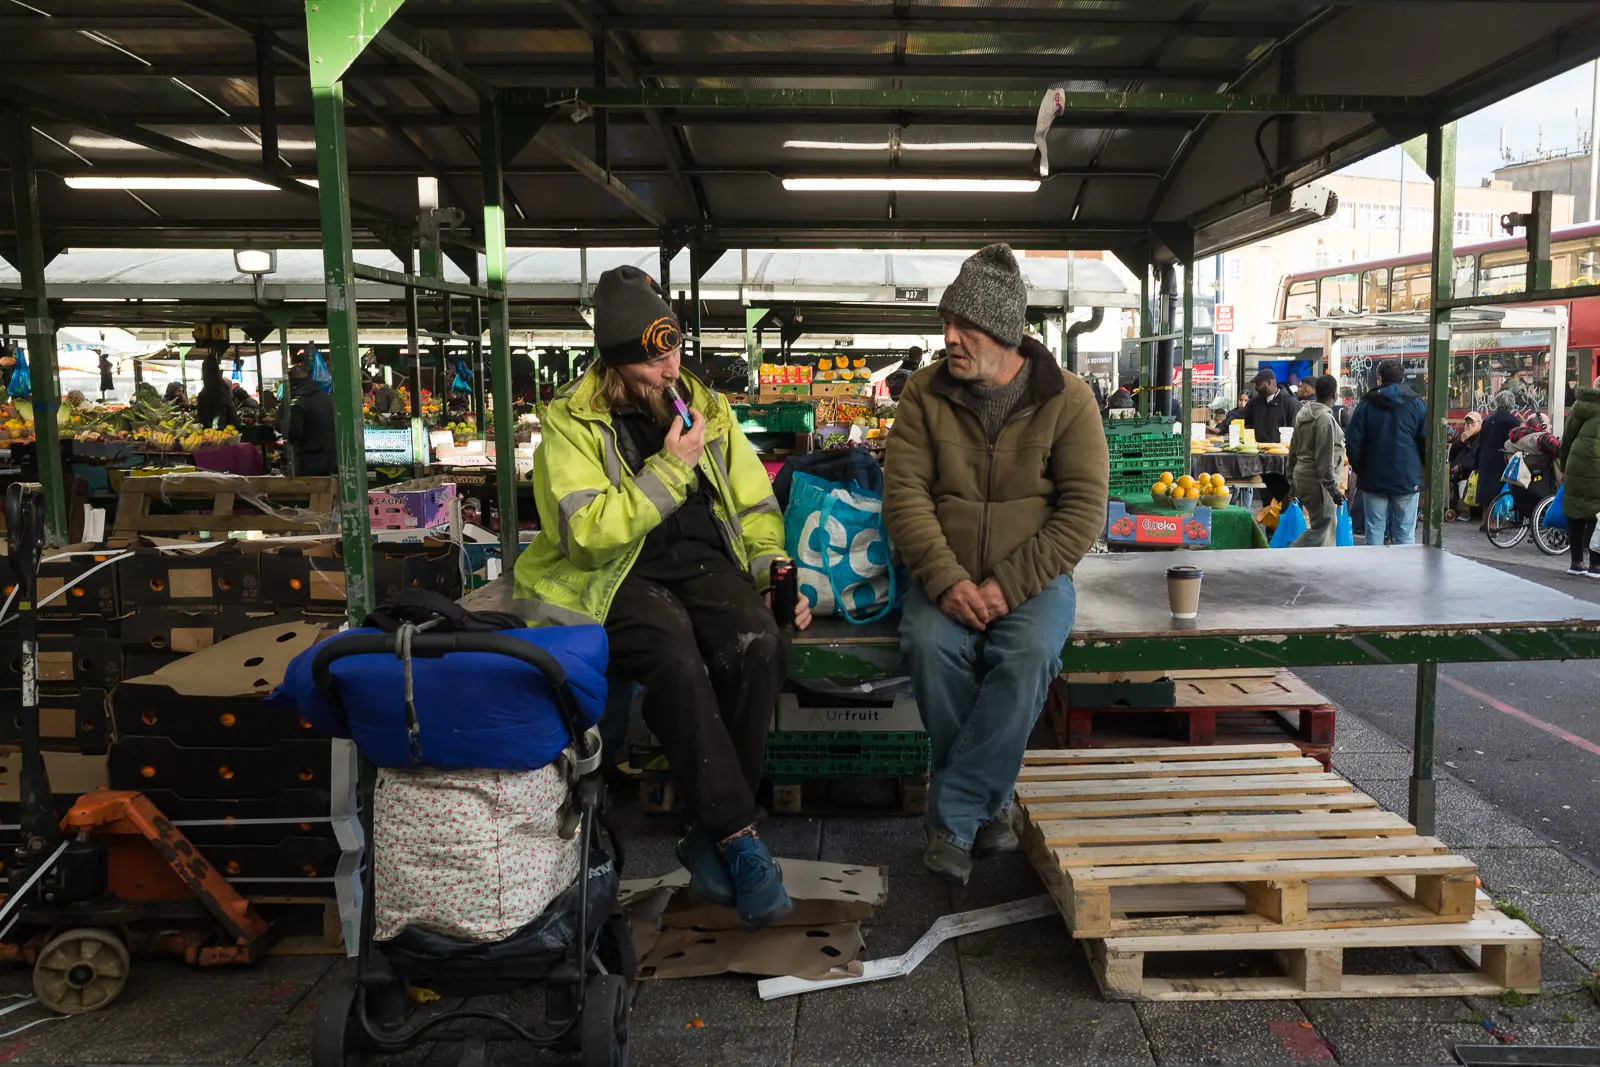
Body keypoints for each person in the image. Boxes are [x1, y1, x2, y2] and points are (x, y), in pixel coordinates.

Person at [513, 265, 808, 930]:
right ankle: (737, 835)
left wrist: (771, 569)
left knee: (760, 642)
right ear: (617, 365)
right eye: (653, 360)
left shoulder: (705, 404)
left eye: (674, 350)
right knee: (675, 655)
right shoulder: (569, 424)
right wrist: (670, 469)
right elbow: (586, 535)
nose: (671, 370)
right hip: (618, 572)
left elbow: (755, 504)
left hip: (701, 561)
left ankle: (706, 833)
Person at [883, 243, 1109, 886]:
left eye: (967, 328)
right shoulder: (924, 394)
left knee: (1028, 655)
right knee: (928, 643)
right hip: (941, 572)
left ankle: (953, 813)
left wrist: (1006, 586)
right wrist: (948, 579)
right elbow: (903, 496)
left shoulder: (1069, 400)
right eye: (947, 323)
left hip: (1034, 577)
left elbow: (1083, 512)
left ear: (1006, 333)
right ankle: (991, 807)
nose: (950, 338)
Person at [1345, 360, 1428, 546]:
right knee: (1405, 534)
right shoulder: (1417, 405)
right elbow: (1426, 442)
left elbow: (1353, 442)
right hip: (1407, 477)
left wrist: (1361, 468)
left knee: (1374, 530)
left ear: (1379, 378)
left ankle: (1375, 573)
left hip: (1373, 478)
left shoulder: (1366, 405)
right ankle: (1402, 573)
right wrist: (1419, 469)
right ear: (1402, 378)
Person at [1286, 374, 1346, 547]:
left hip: (1302, 476)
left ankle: (1324, 563)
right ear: (1334, 395)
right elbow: (1324, 459)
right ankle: (1293, 552)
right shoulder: (1325, 419)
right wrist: (1333, 490)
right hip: (1317, 481)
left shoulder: (1303, 414)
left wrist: (1291, 479)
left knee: (1327, 523)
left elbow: (1293, 451)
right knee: (1322, 526)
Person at [1557, 375, 1600, 578]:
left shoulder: (1579, 405)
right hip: (1597, 468)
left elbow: (1566, 440)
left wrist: (1564, 468)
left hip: (1576, 466)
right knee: (1596, 516)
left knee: (1576, 513)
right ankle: (1596, 565)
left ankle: (1576, 562)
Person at [1475, 391, 1520, 530]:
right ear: (1511, 403)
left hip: (1485, 457)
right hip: (1502, 458)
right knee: (1498, 490)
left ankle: (1485, 521)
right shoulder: (1513, 421)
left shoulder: (1488, 419)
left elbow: (1480, 442)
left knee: (1486, 490)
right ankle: (1493, 522)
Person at [282, 363, 336, 476]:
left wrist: (290, 439)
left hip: (309, 458)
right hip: (331, 456)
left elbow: (295, 433)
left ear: (292, 381)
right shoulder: (327, 398)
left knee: (307, 490)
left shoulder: (299, 402)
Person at [1241, 369, 1299, 443]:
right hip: (1257, 450)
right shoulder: (1254, 402)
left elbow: (1297, 431)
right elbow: (1240, 416)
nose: (1256, 388)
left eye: (1258, 384)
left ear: (1268, 383)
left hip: (1281, 451)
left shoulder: (1290, 403)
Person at [1448, 412, 1483, 521]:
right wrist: (1460, 441)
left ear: (1479, 424)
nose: (1469, 426)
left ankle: (1464, 512)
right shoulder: (1464, 437)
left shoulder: (1480, 438)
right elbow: (1452, 454)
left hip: (1471, 472)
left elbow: (1474, 457)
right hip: (1457, 471)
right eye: (1467, 423)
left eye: (1472, 423)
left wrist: (1461, 467)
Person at [194, 355, 237, 430]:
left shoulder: (206, 392)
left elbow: (203, 417)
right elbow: (232, 411)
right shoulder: (225, 388)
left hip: (213, 432)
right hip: (227, 430)